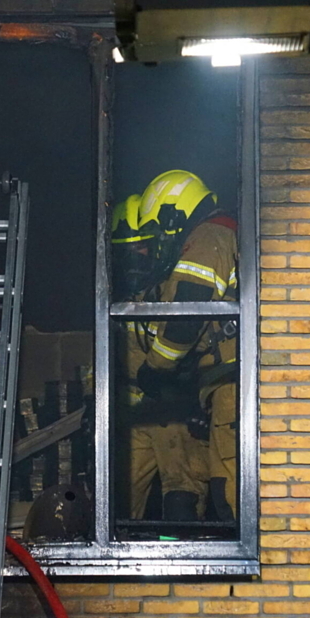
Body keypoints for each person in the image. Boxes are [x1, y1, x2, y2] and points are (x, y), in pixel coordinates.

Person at [134, 170, 239, 522]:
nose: (161, 240)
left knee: (231, 492)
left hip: (231, 384)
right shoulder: (225, 232)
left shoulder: (207, 237)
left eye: (160, 229)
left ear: (173, 215)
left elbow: (186, 315)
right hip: (223, 383)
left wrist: (156, 368)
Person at [111, 195, 209, 522]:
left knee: (182, 502)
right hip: (131, 414)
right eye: (125, 250)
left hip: (175, 410)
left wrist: (198, 402)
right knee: (115, 505)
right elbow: (106, 358)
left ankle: (179, 555)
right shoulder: (116, 302)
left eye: (141, 247)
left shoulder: (175, 288)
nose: (133, 258)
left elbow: (191, 342)